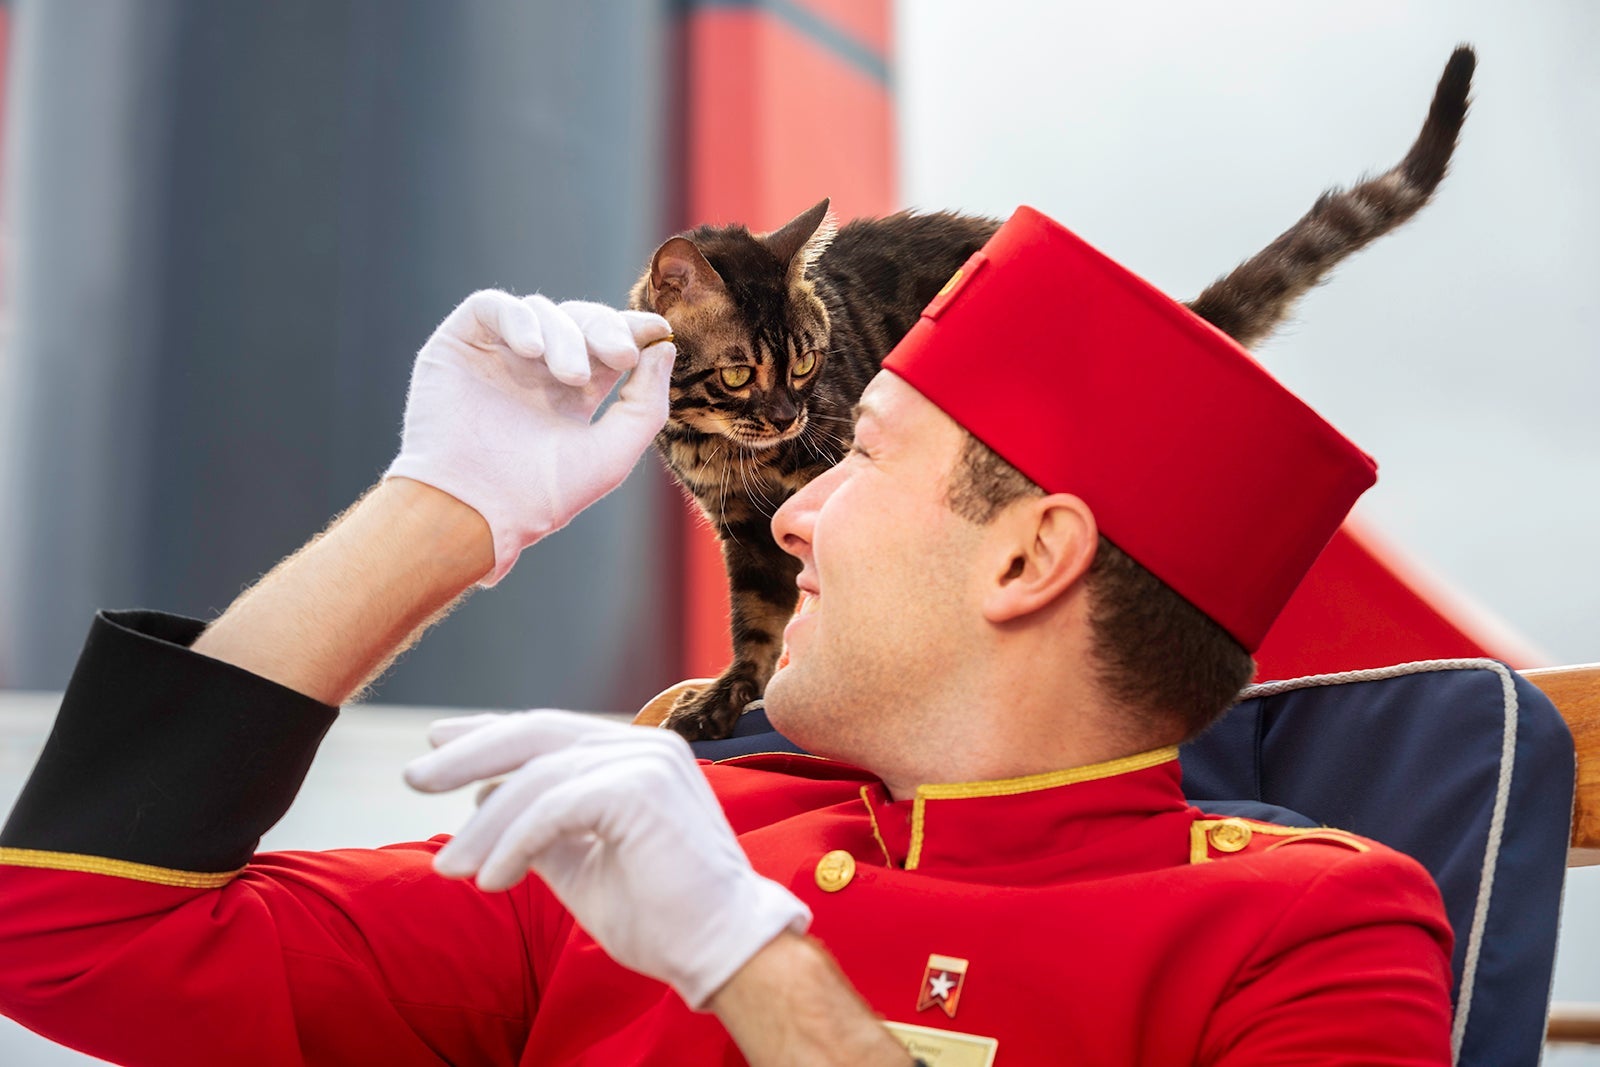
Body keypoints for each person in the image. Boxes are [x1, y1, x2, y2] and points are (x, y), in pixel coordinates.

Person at [0, 207, 1454, 1066]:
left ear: (1028, 556)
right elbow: (67, 934)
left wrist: (747, 961)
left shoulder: (1310, 928)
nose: (793, 514)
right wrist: (445, 508)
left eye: (861, 458)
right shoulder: (675, 831)